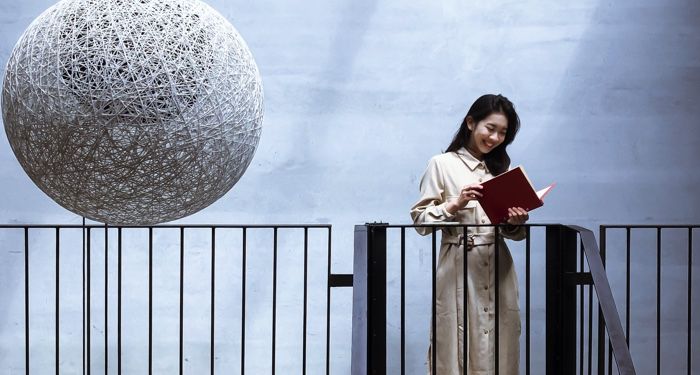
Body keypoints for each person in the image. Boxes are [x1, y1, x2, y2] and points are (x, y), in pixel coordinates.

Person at [410, 94, 529, 375]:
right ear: (471, 123)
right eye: (491, 128)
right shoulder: (441, 164)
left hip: (498, 265)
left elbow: (515, 233)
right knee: (455, 342)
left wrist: (515, 221)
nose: (496, 137)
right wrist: (455, 203)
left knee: (501, 340)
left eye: (503, 132)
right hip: (457, 264)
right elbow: (419, 221)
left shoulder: (501, 170)